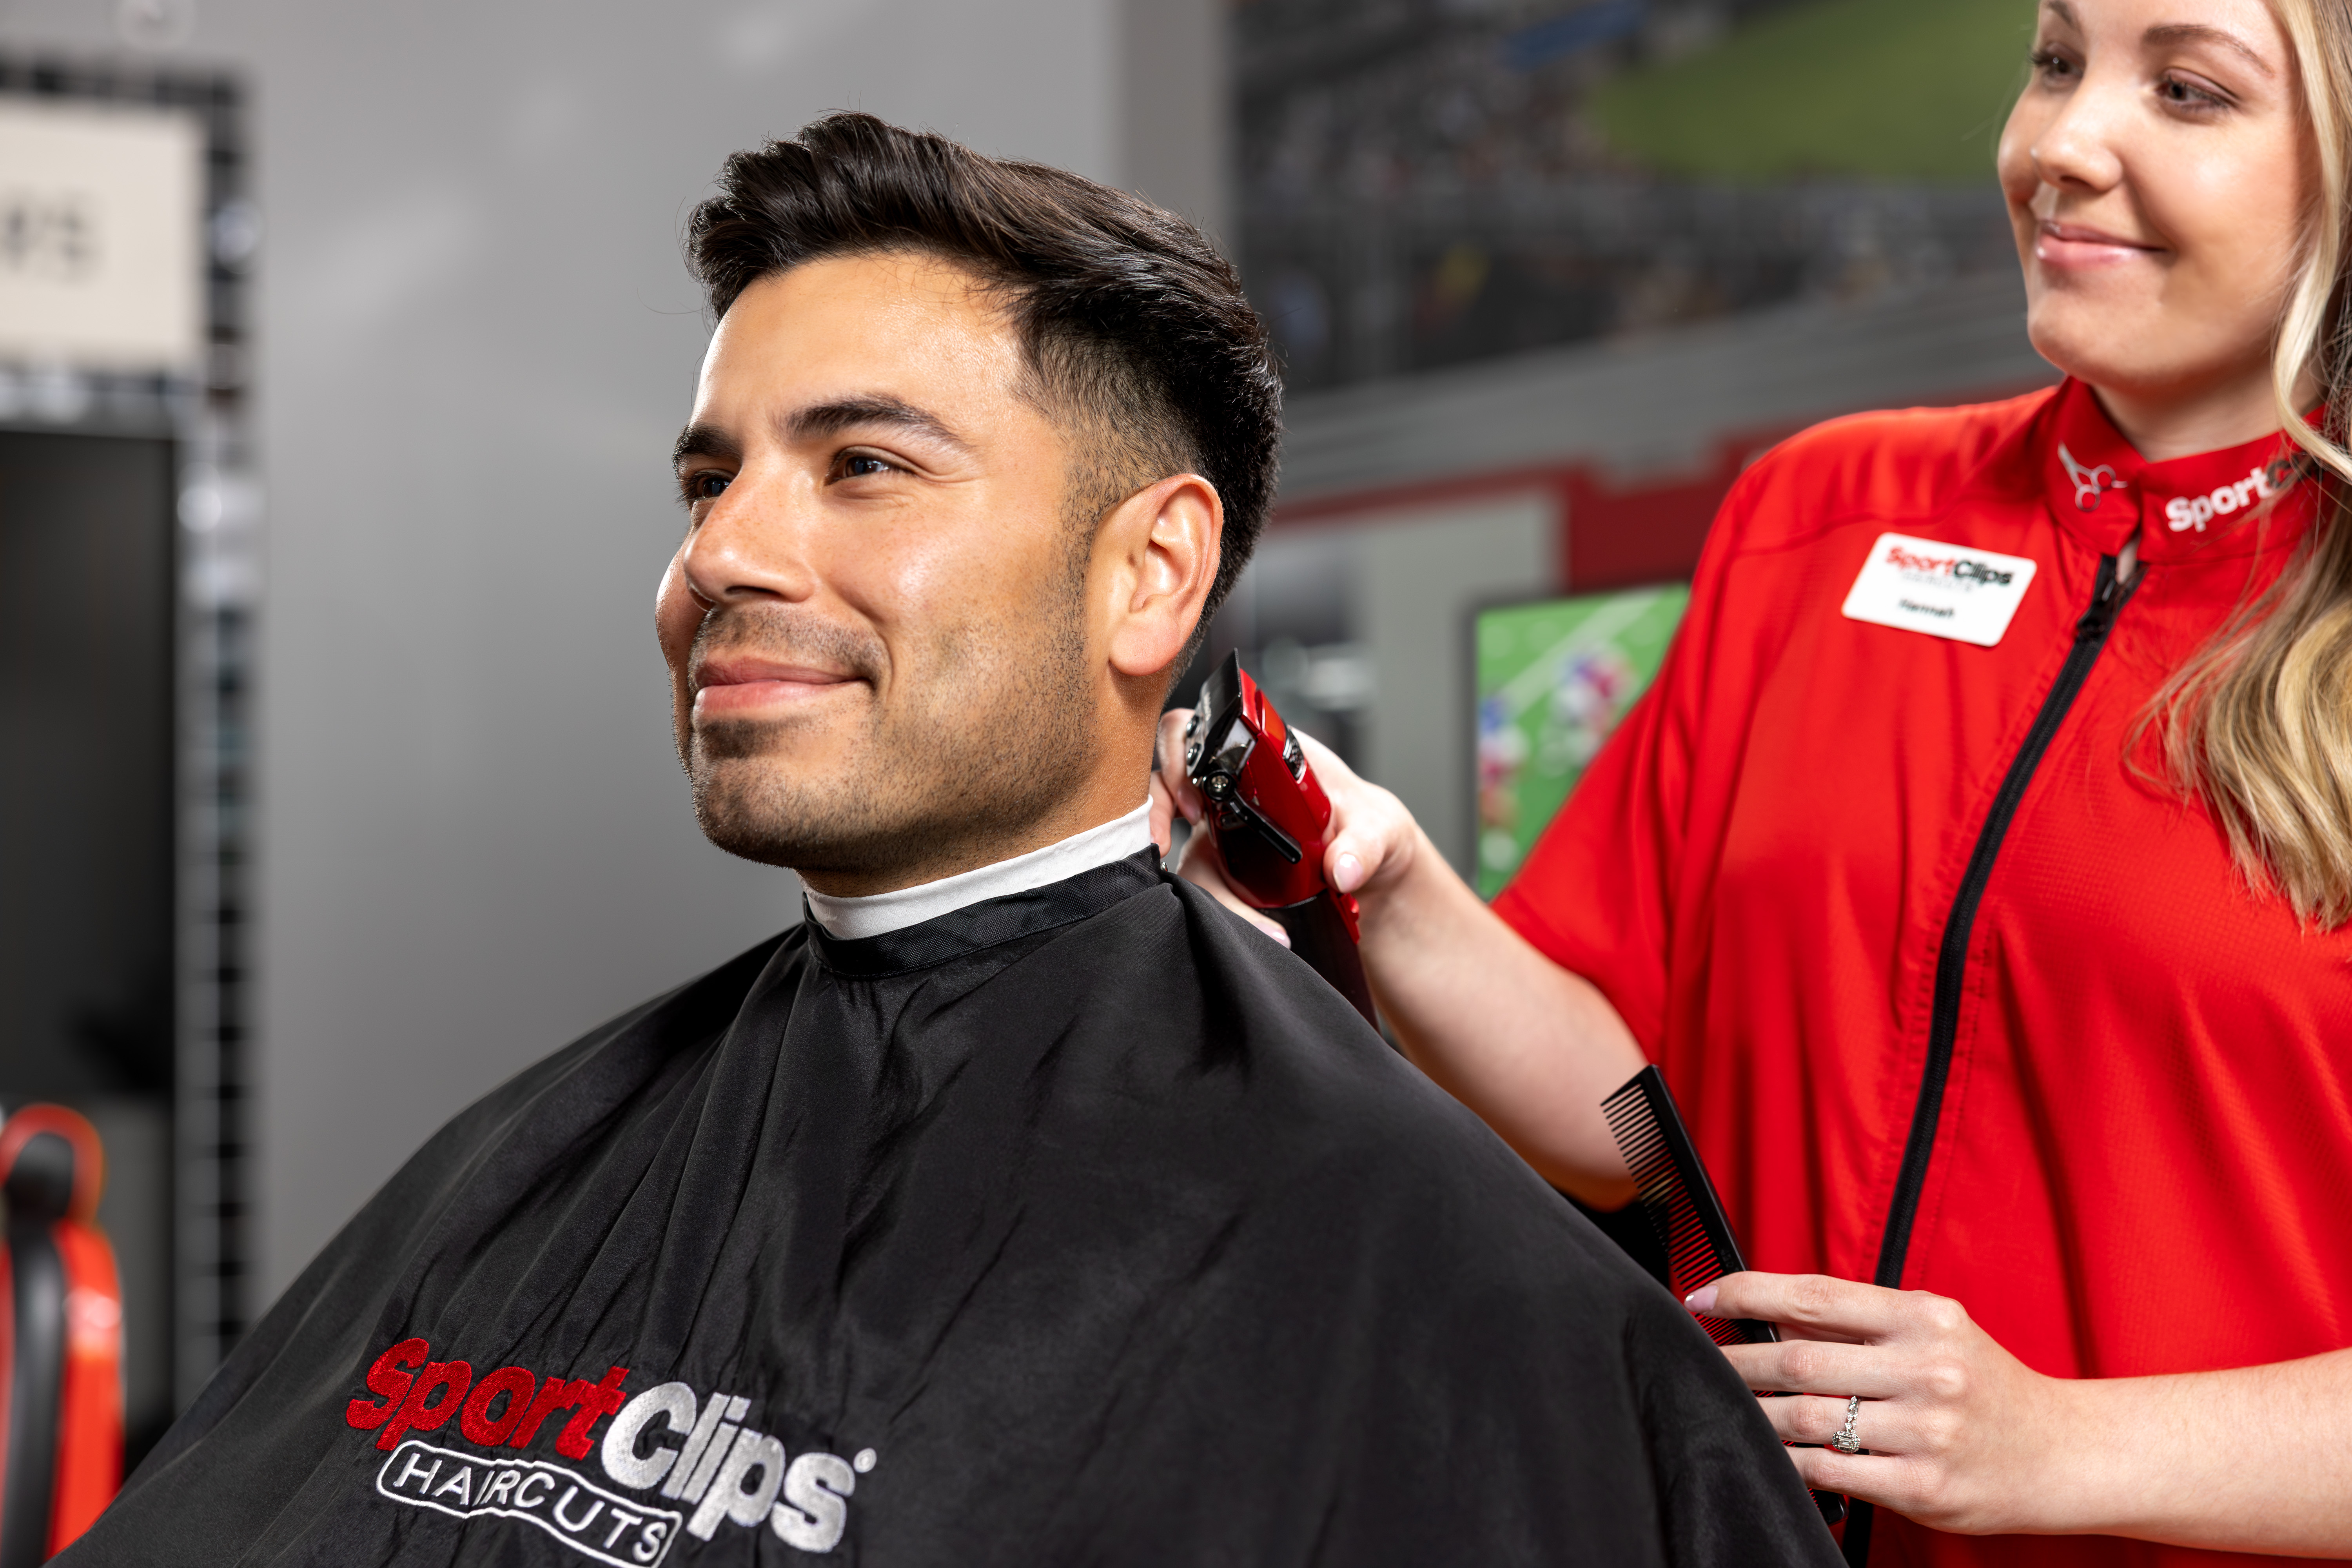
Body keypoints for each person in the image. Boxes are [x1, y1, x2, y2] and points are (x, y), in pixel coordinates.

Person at [62, 116, 1839, 1566]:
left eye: (863, 468)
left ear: (1150, 573)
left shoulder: (1444, 1294)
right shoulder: (521, 1166)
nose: (721, 560)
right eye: (710, 481)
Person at [1158, 0, 2352, 1563]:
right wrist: (1386, 879)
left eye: (2188, 91)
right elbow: (1631, 1115)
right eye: (2055, 61)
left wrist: (2057, 1442)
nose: (2062, 143)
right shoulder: (1825, 513)